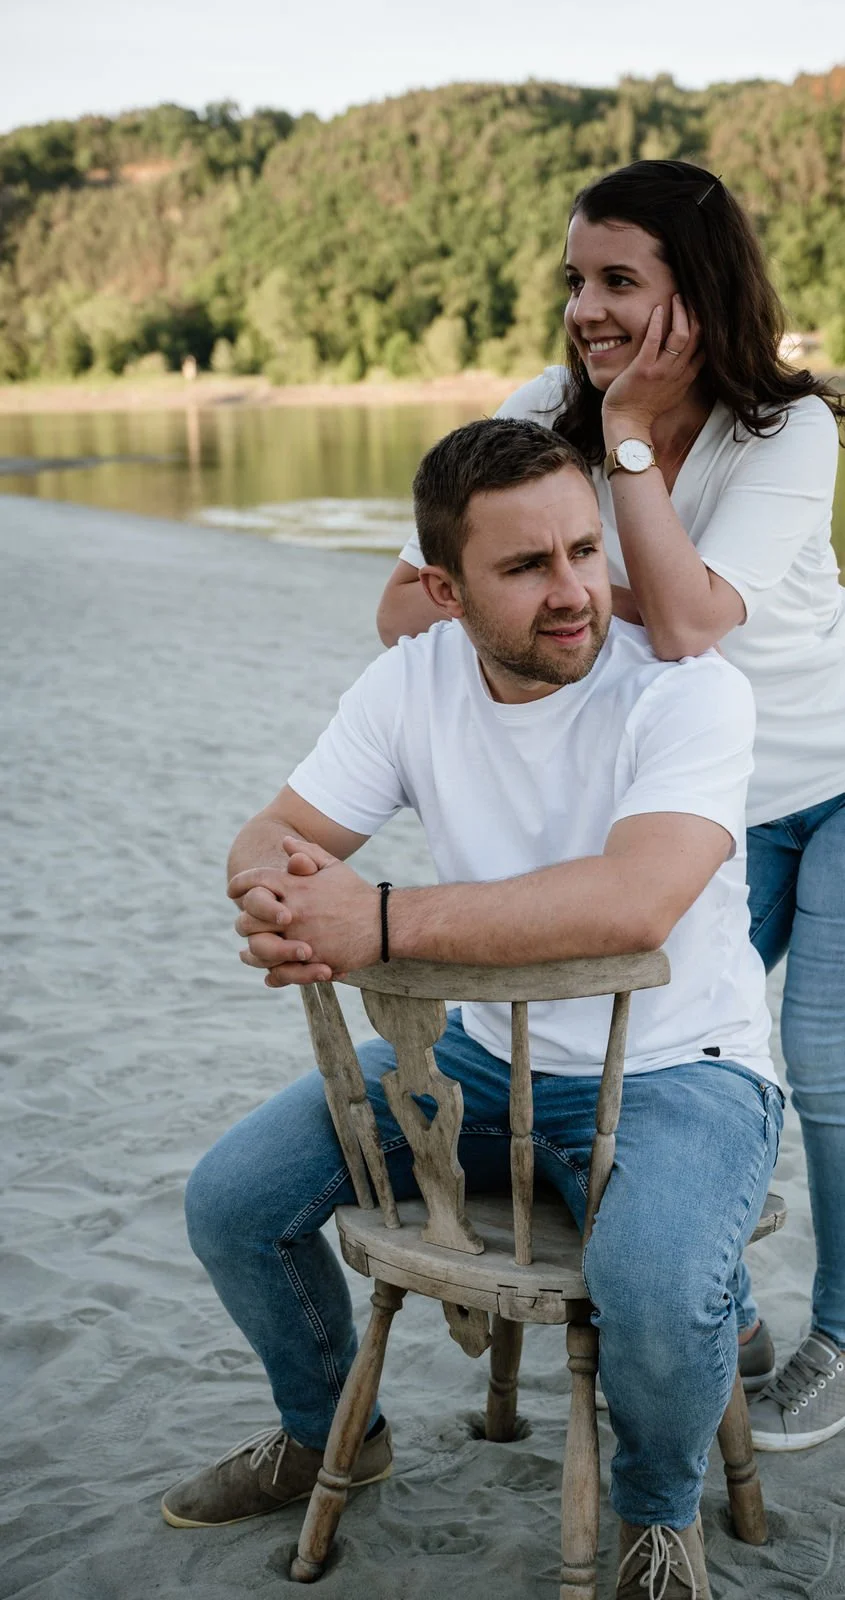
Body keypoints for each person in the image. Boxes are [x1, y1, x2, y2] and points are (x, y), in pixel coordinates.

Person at [163, 419, 782, 1599]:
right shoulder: (413, 677)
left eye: (583, 550)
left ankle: (656, 1512)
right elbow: (275, 829)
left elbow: (635, 900)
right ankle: (324, 1431)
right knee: (233, 1201)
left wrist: (377, 922)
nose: (575, 592)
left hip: (678, 1070)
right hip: (477, 1064)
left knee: (651, 1282)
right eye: (525, 566)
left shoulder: (690, 691)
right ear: (441, 589)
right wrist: (275, 894)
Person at [377, 160, 845, 1452]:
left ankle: (842, 1337)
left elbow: (690, 623)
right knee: (644, 1051)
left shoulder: (789, 430)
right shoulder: (545, 408)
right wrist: (562, 569)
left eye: (618, 280)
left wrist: (622, 445)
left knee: (823, 1067)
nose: (585, 306)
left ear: (694, 293)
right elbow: (415, 599)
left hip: (836, 773)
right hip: (711, 793)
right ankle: (718, 1305)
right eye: (575, 278)